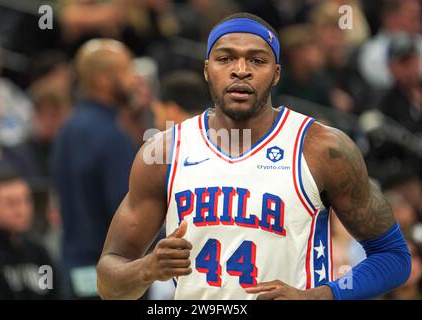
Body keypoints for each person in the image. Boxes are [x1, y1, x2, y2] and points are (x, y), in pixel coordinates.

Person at [97, 12, 411, 300]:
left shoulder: (322, 148)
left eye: (257, 61)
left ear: (276, 74)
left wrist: (320, 296)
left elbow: (393, 257)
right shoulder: (164, 152)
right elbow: (108, 281)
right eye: (225, 58)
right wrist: (147, 269)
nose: (241, 70)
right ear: (207, 69)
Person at [52, 39, 137, 298]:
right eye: (127, 69)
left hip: (75, 266)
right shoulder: (111, 136)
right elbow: (127, 213)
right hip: (110, 274)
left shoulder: (69, 127)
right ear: (102, 79)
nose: (134, 78)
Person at [0, 170, 58, 299]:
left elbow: (54, 294)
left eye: (26, 201)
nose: (21, 209)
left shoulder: (39, 251)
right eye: (11, 203)